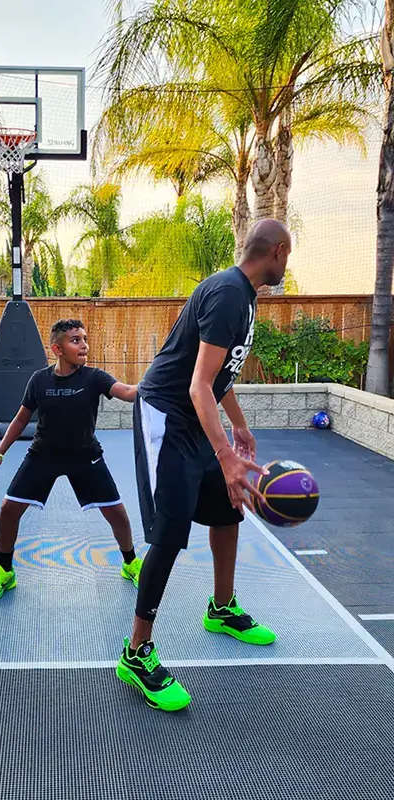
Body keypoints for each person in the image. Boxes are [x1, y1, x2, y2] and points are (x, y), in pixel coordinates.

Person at [116, 220, 292, 712]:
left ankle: (220, 606)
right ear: (277, 251)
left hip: (201, 418)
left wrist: (239, 428)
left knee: (227, 512)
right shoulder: (229, 293)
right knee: (170, 533)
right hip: (168, 416)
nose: (287, 265)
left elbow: (219, 378)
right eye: (288, 256)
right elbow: (196, 385)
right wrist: (226, 455)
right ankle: (136, 653)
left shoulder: (245, 297)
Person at [0, 318, 142, 602]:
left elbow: (128, 393)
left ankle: (130, 563)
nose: (83, 345)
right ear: (57, 348)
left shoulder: (94, 377)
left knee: (117, 513)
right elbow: (21, 417)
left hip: (85, 456)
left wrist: (158, 383)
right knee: (8, 509)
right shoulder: (39, 380)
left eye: (84, 338)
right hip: (43, 455)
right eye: (75, 340)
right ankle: (5, 571)